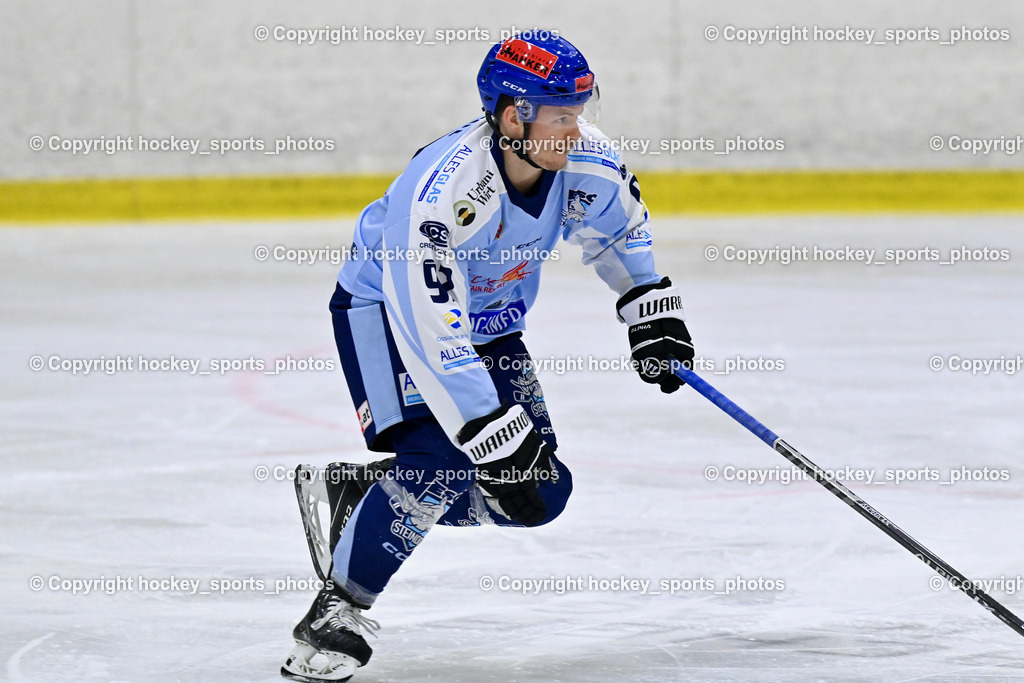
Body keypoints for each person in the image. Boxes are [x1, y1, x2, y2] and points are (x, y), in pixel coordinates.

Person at [281, 31, 694, 682]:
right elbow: (428, 325)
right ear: (512, 117)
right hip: (386, 314)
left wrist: (647, 307)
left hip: (490, 327)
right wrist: (482, 426)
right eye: (560, 115)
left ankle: (361, 496)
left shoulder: (584, 159)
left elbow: (619, 226)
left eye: (578, 111)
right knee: (443, 458)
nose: (575, 129)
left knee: (538, 490)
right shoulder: (443, 191)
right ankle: (337, 612)